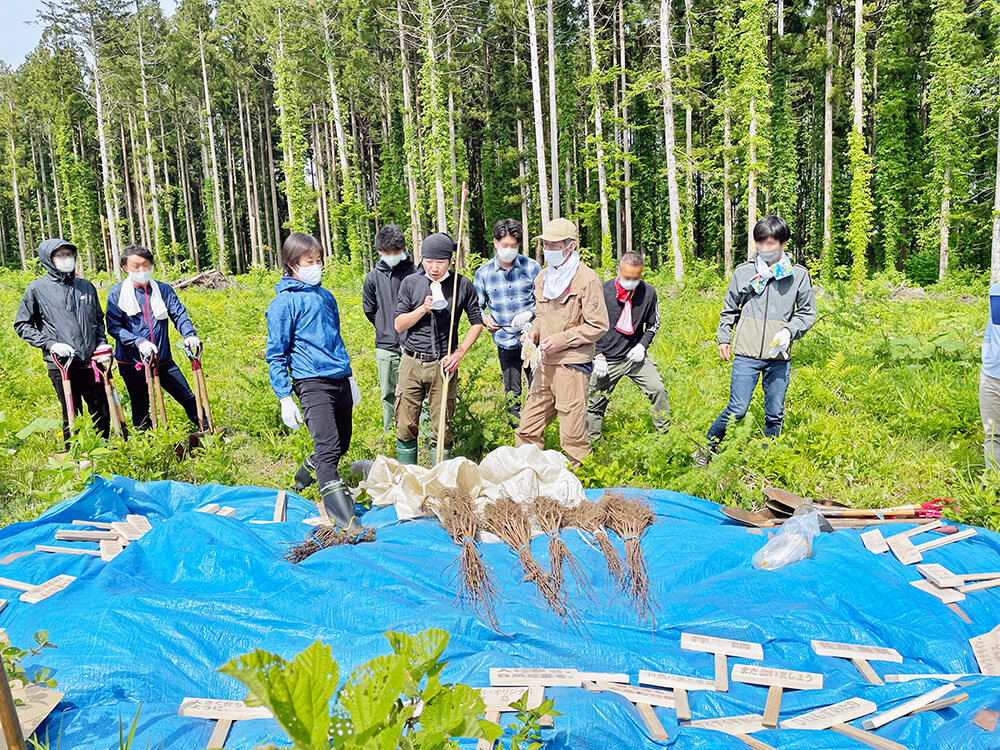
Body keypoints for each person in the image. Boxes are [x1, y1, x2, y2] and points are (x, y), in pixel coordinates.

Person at [696, 215, 816, 464]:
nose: (764, 248)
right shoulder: (744, 273)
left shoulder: (798, 276)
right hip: (746, 352)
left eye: (771, 243)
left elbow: (807, 312)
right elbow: (729, 307)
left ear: (783, 243)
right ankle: (707, 449)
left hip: (778, 355)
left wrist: (789, 331)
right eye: (760, 242)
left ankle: (768, 457)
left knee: (775, 412)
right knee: (737, 409)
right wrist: (723, 338)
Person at [265, 232, 358, 526]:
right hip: (311, 381)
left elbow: (336, 338)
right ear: (293, 264)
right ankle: (346, 522)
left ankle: (307, 469)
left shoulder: (326, 297)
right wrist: (285, 397)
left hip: (338, 377)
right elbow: (276, 353)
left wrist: (350, 376)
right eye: (309, 261)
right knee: (328, 448)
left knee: (342, 442)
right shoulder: (284, 304)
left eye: (318, 260)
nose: (316, 266)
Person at [514, 218, 609, 468]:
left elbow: (597, 325)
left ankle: (581, 485)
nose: (548, 250)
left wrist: (560, 340)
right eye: (546, 244)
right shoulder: (544, 278)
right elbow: (542, 316)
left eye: (554, 245)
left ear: (571, 246)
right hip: (545, 364)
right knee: (528, 425)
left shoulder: (587, 280)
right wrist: (532, 333)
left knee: (573, 434)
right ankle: (526, 474)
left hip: (571, 365)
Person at [393, 232, 484, 464]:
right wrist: (421, 309)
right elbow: (398, 324)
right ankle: (408, 478)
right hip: (411, 362)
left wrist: (459, 352)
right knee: (405, 422)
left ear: (451, 261)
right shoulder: (411, 283)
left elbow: (477, 322)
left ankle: (440, 481)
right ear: (421, 258)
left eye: (440, 262)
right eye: (429, 261)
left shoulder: (461, 285)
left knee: (442, 424)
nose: (434, 267)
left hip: (443, 364)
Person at [14, 238, 111, 446]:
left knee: (102, 412)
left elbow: (97, 319)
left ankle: (104, 455)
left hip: (91, 362)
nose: (66, 259)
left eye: (69, 254)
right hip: (62, 364)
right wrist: (51, 344)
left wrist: (101, 342)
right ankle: (74, 460)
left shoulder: (86, 286)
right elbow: (22, 325)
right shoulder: (37, 289)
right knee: (71, 414)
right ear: (48, 259)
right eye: (60, 255)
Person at [105, 245, 204, 431]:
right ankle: (148, 447)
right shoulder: (117, 293)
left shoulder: (163, 290)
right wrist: (138, 342)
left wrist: (189, 334)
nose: (142, 270)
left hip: (162, 359)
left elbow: (179, 314)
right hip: (132, 362)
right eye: (136, 266)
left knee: (188, 397)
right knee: (141, 406)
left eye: (146, 265)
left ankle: (207, 430)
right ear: (125, 268)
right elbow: (114, 327)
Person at [586, 251, 670, 441]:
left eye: (636, 277)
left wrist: (642, 346)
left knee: (658, 390)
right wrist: (597, 354)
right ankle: (593, 445)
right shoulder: (601, 291)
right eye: (626, 277)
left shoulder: (648, 292)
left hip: (634, 357)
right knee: (595, 402)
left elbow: (653, 324)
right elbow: (587, 324)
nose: (631, 281)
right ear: (617, 270)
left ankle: (665, 439)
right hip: (606, 359)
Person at [473, 219, 541, 422]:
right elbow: (477, 307)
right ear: (495, 243)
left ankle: (535, 426)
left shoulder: (532, 268)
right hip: (504, 341)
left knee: (537, 387)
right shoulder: (484, 273)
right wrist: (486, 321)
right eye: (505, 246)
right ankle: (515, 428)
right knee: (512, 391)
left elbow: (545, 302)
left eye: (514, 246)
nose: (509, 250)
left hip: (530, 340)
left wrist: (531, 314)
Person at [362, 223, 420, 433]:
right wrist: (385, 327)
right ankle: (390, 433)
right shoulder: (373, 278)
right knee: (388, 392)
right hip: (385, 345)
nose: (392, 256)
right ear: (379, 251)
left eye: (396, 252)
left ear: (404, 249)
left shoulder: (415, 273)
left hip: (414, 343)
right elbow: (369, 310)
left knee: (416, 392)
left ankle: (419, 434)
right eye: (387, 253)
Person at [980, 283, 1000, 474]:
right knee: (992, 433)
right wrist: (986, 359)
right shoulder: (995, 291)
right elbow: (991, 326)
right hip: (991, 377)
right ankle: (993, 486)